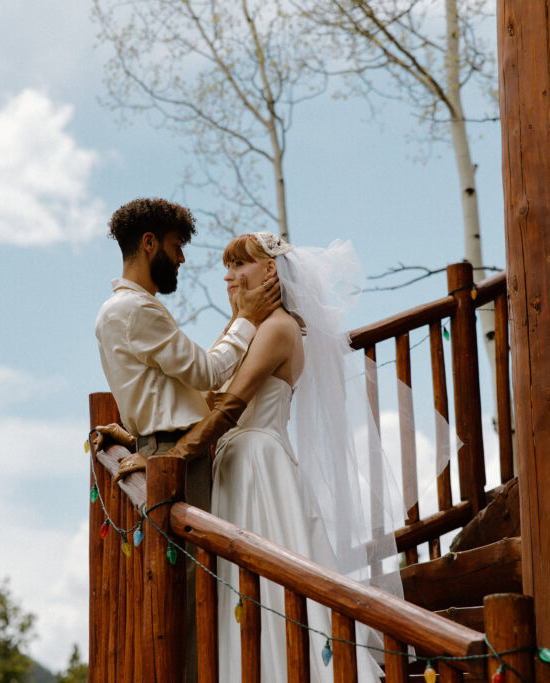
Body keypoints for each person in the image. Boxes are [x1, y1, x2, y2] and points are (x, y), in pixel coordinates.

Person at [161, 232, 402, 683]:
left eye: (241, 265)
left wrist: (176, 456)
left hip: (258, 462)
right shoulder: (253, 326)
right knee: (245, 578)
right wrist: (236, 318)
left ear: (270, 271)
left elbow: (229, 405)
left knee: (269, 578)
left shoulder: (277, 328)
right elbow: (206, 389)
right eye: (227, 268)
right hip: (237, 462)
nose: (229, 275)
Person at [93, 198, 281, 683]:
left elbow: (166, 389)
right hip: (176, 458)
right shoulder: (137, 311)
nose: (182, 259)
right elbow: (206, 371)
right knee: (193, 586)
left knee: (183, 584)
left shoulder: (125, 310)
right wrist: (249, 318)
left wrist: (133, 435)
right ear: (149, 242)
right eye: (177, 247)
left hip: (163, 449)